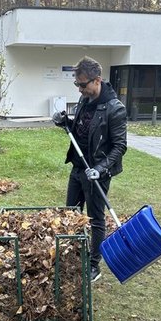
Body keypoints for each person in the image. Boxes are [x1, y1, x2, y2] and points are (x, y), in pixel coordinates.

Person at [52, 56, 127, 283]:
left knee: (95, 219)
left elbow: (120, 146)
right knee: (71, 213)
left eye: (82, 85)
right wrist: (64, 122)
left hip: (97, 173)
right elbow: (80, 129)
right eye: (77, 84)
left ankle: (94, 265)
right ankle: (74, 256)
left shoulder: (115, 109)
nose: (79, 89)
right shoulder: (85, 101)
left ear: (97, 80)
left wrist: (101, 169)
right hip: (78, 167)